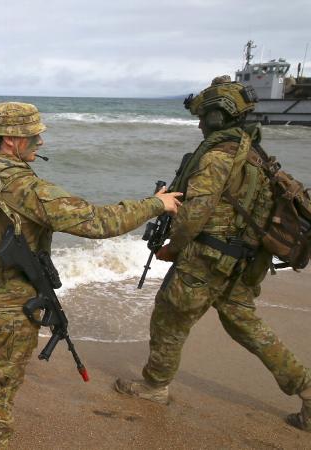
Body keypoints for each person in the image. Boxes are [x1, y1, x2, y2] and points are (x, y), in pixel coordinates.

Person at [0, 102, 182, 449]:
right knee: (1, 389)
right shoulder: (22, 186)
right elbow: (97, 221)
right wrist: (156, 204)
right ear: (11, 139)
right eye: (34, 135)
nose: (40, 141)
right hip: (10, 309)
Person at [114, 76, 311, 431]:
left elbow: (196, 213)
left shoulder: (218, 156)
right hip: (239, 262)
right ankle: (308, 390)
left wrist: (172, 248)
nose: (201, 123)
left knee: (169, 319)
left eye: (204, 116)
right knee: (250, 329)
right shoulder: (253, 153)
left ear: (218, 117)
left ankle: (155, 386)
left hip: (205, 262)